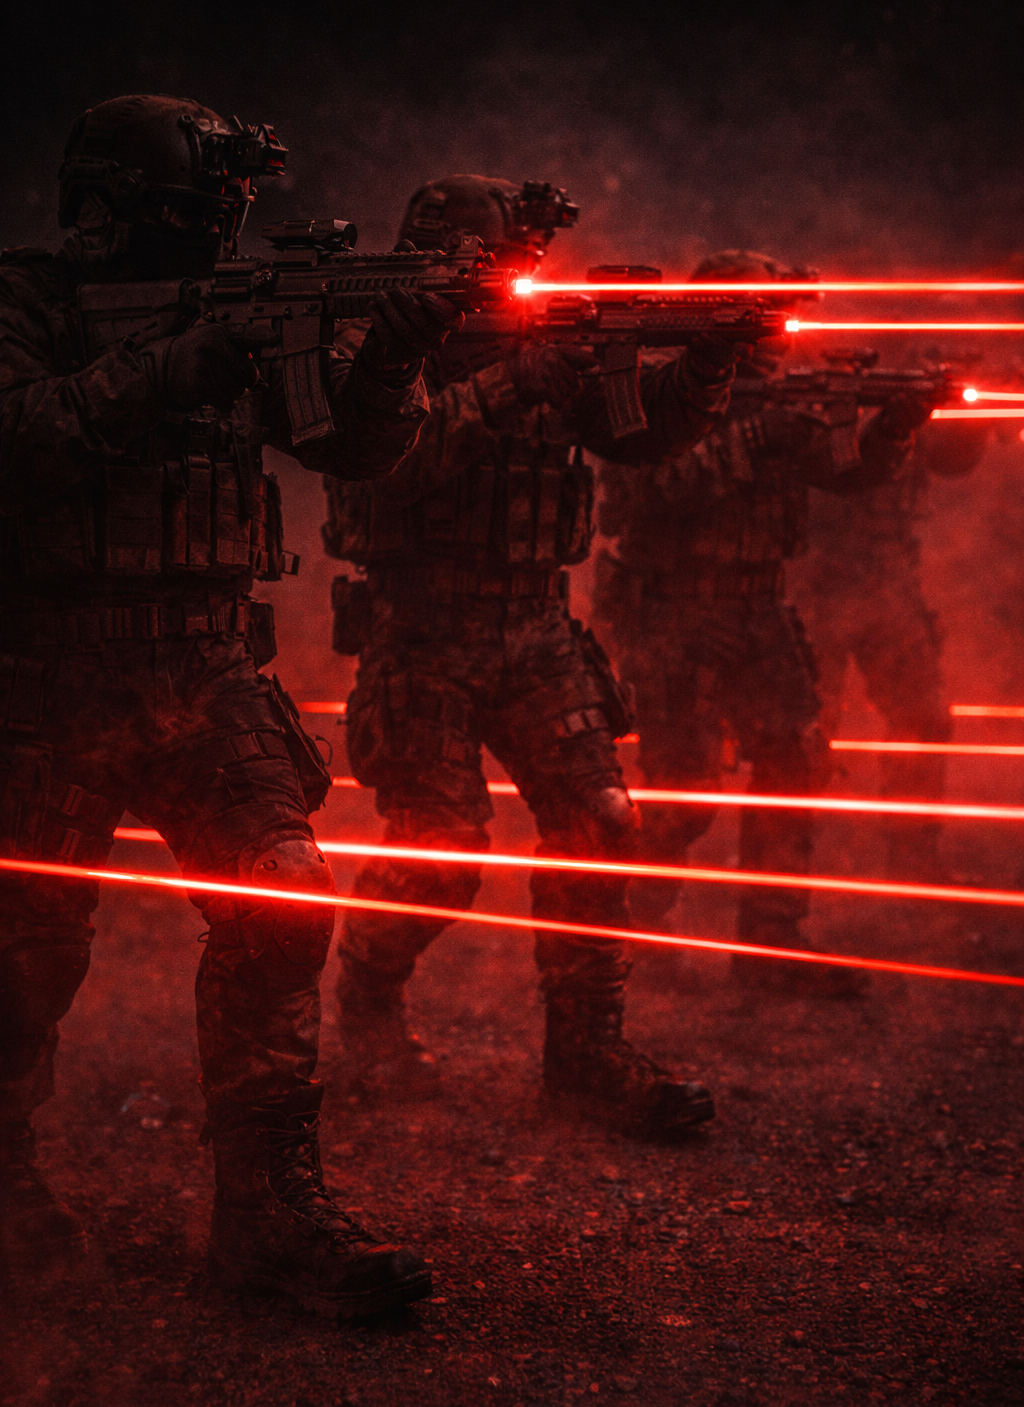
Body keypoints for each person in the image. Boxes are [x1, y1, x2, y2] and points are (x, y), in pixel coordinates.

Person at [0, 95, 460, 1320]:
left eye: (220, 220)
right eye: (180, 220)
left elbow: (354, 455)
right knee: (22, 960)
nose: (207, 246)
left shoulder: (234, 316)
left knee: (282, 905)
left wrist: (400, 352)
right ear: (101, 213)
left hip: (204, 673)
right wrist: (161, 371)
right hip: (43, 677)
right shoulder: (28, 304)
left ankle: (267, 1221)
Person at [323, 175, 737, 1135]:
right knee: (444, 853)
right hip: (420, 630)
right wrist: (506, 388)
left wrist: (706, 362)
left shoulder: (550, 338)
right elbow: (378, 481)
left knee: (599, 820)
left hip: (536, 628)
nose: (519, 280)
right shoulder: (379, 345)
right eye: (498, 261)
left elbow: (646, 439)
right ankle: (369, 1002)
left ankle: (586, 1056)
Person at [592, 251, 930, 998]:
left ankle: (772, 942)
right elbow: (653, 492)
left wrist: (893, 431)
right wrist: (755, 439)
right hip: (676, 609)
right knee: (685, 792)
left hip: (758, 605)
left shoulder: (779, 397)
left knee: (794, 762)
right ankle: (627, 933)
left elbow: (844, 474)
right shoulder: (657, 392)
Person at [794, 420, 987, 882]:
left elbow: (953, 458)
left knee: (923, 716)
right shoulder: (805, 362)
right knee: (803, 736)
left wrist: (963, 417)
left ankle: (913, 860)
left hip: (886, 572)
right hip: (812, 569)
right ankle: (782, 888)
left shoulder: (906, 356)